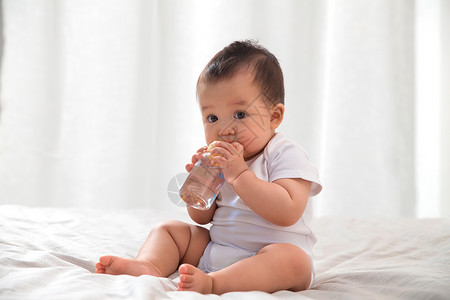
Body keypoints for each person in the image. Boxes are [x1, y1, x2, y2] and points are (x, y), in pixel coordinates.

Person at [96, 40, 322, 294]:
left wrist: (239, 175)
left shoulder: (285, 153)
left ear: (274, 116)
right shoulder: (218, 160)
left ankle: (215, 283)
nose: (225, 129)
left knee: (293, 260)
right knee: (170, 230)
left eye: (240, 114)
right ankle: (149, 265)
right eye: (212, 118)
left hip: (269, 257)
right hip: (217, 250)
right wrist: (200, 184)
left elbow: (288, 211)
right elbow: (202, 217)